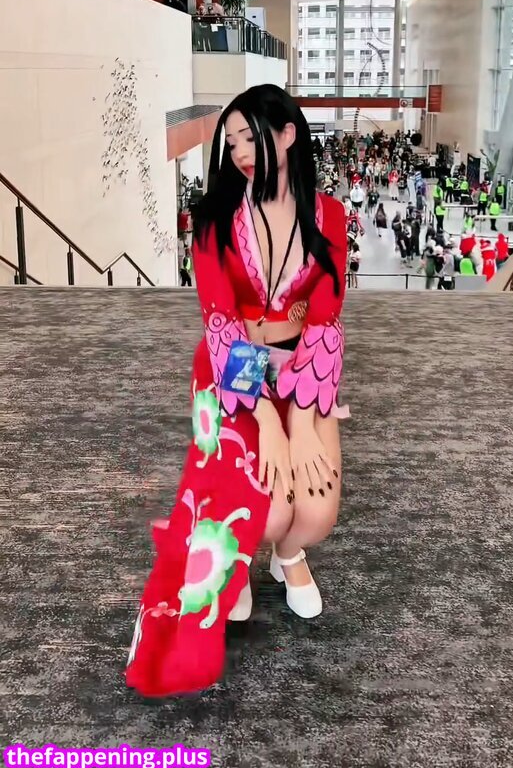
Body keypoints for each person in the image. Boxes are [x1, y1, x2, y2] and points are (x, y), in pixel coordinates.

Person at [125, 85, 347, 698]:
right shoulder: (214, 218)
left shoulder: (328, 214)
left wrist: (299, 422)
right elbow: (220, 320)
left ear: (288, 134)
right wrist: (267, 421)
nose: (241, 151)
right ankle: (244, 558)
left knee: (317, 514)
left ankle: (288, 556)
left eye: (253, 136)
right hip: (232, 371)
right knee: (268, 508)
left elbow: (326, 316)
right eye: (232, 141)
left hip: (306, 369)